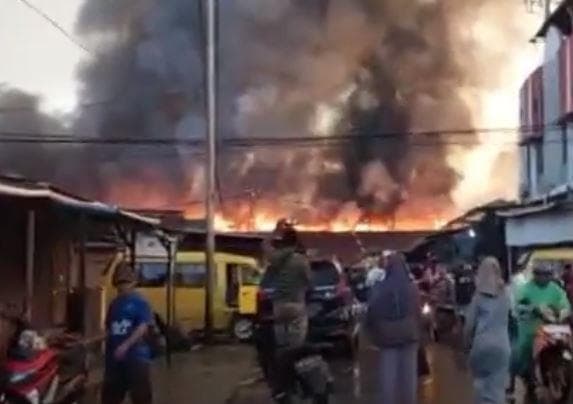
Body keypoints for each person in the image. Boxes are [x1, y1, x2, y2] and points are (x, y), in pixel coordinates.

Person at [365, 253, 420, 404]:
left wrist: (372, 331)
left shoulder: (380, 287)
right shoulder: (412, 287)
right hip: (409, 334)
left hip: (387, 336)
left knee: (387, 375)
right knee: (409, 376)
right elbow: (418, 311)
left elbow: (372, 311)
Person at [514, 264, 571, 393]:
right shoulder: (526, 289)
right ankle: (527, 375)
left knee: (565, 343)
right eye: (541, 275)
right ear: (535, 275)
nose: (545, 278)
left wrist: (564, 310)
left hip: (552, 326)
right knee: (524, 351)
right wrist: (533, 308)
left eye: (548, 275)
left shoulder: (555, 289)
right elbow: (517, 306)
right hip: (531, 328)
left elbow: (564, 302)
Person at [102, 264, 154, 404]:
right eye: (119, 283)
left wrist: (125, 345)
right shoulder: (114, 304)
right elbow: (109, 329)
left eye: (125, 283)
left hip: (136, 358)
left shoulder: (140, 302)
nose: (122, 286)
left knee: (141, 397)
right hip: (115, 361)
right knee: (110, 397)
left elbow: (143, 327)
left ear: (133, 283)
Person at [464, 257, 511, 404]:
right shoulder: (506, 295)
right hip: (502, 347)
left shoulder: (477, 298)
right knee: (497, 389)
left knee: (480, 387)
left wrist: (466, 345)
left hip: (481, 346)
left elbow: (469, 326)